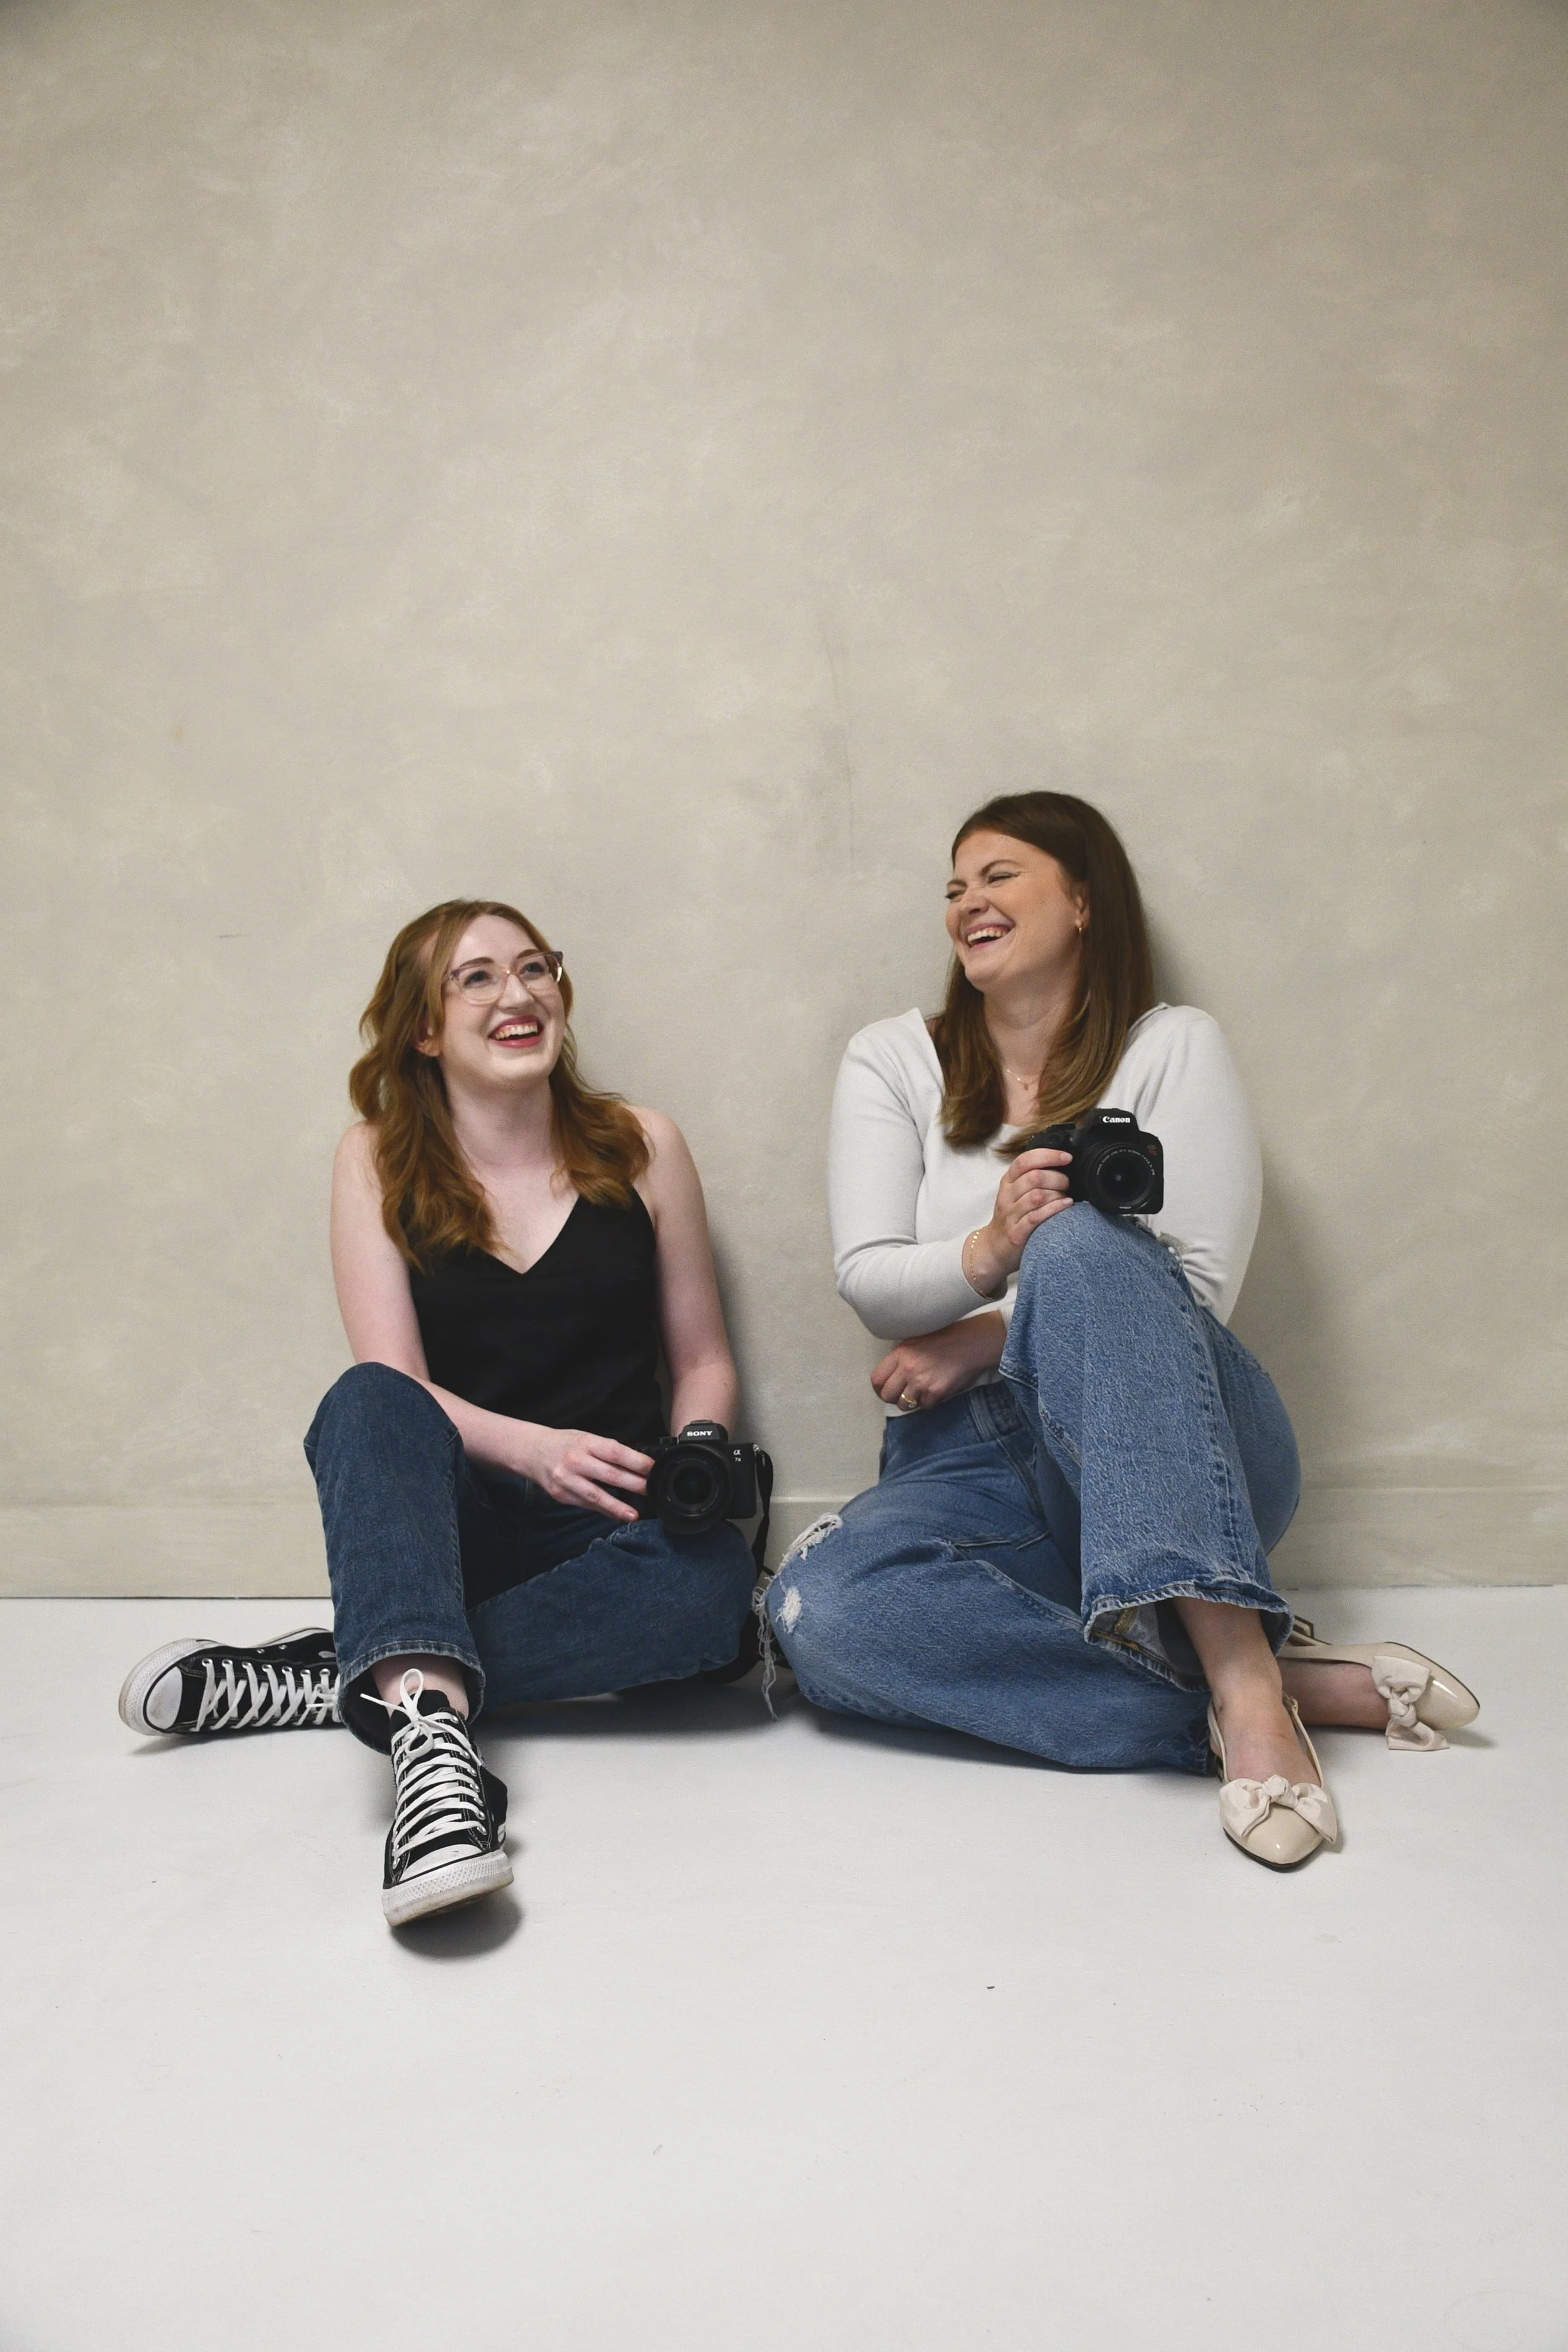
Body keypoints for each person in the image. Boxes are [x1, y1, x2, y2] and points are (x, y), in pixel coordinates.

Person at [765, 792, 1478, 1869]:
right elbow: (871, 1282)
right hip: (970, 1466)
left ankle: (1245, 1692)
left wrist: (983, 1330)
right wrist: (992, 1245)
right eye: (954, 887)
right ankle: (1256, 1681)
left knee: (1088, 1245)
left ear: (1086, 899)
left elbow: (1195, 1286)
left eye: (1001, 875)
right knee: (816, 1610)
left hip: (1185, 1449)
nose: (968, 902)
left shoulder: (1173, 1046)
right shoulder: (893, 1059)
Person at [119, 899, 760, 1924]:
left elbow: (704, 1359)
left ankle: (368, 1668)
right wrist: (531, 1448)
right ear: (423, 1025)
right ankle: (433, 1762)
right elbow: (398, 1381)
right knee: (366, 1399)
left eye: (536, 968)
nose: (520, 995)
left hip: (610, 1525)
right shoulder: (374, 1156)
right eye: (478, 977)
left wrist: (692, 1453)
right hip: (450, 1523)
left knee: (715, 1590)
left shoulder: (644, 1145)